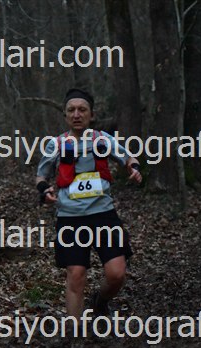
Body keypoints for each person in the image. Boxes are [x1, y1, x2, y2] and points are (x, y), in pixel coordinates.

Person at [36, 88, 142, 324]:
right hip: (70, 218)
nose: (76, 114)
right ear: (65, 115)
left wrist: (134, 168)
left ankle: (100, 301)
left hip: (103, 214)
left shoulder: (102, 140)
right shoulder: (56, 144)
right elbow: (41, 176)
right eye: (71, 110)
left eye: (82, 109)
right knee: (76, 275)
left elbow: (128, 157)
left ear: (91, 115)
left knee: (116, 274)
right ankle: (75, 333)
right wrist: (45, 191)